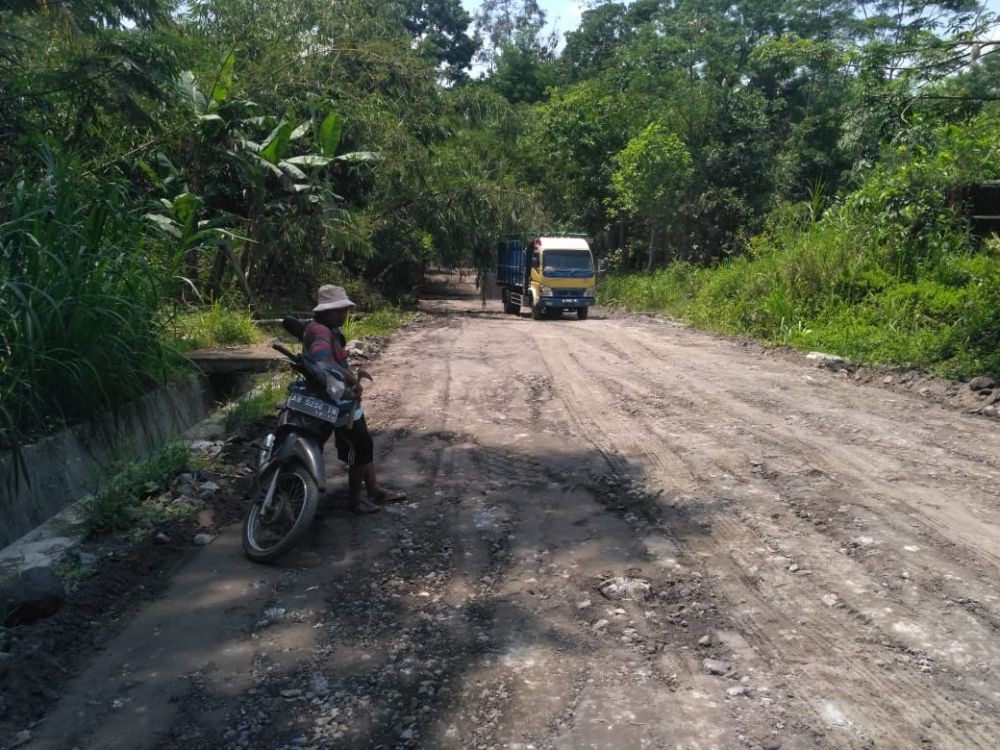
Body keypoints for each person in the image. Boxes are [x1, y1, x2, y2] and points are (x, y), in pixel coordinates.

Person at [304, 284, 406, 514]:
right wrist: (350, 377)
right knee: (360, 446)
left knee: (363, 442)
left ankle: (373, 489)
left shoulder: (323, 328)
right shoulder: (321, 332)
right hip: (333, 401)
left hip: (341, 398)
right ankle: (356, 500)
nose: (343, 314)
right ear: (324, 311)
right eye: (337, 310)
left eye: (344, 309)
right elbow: (322, 360)